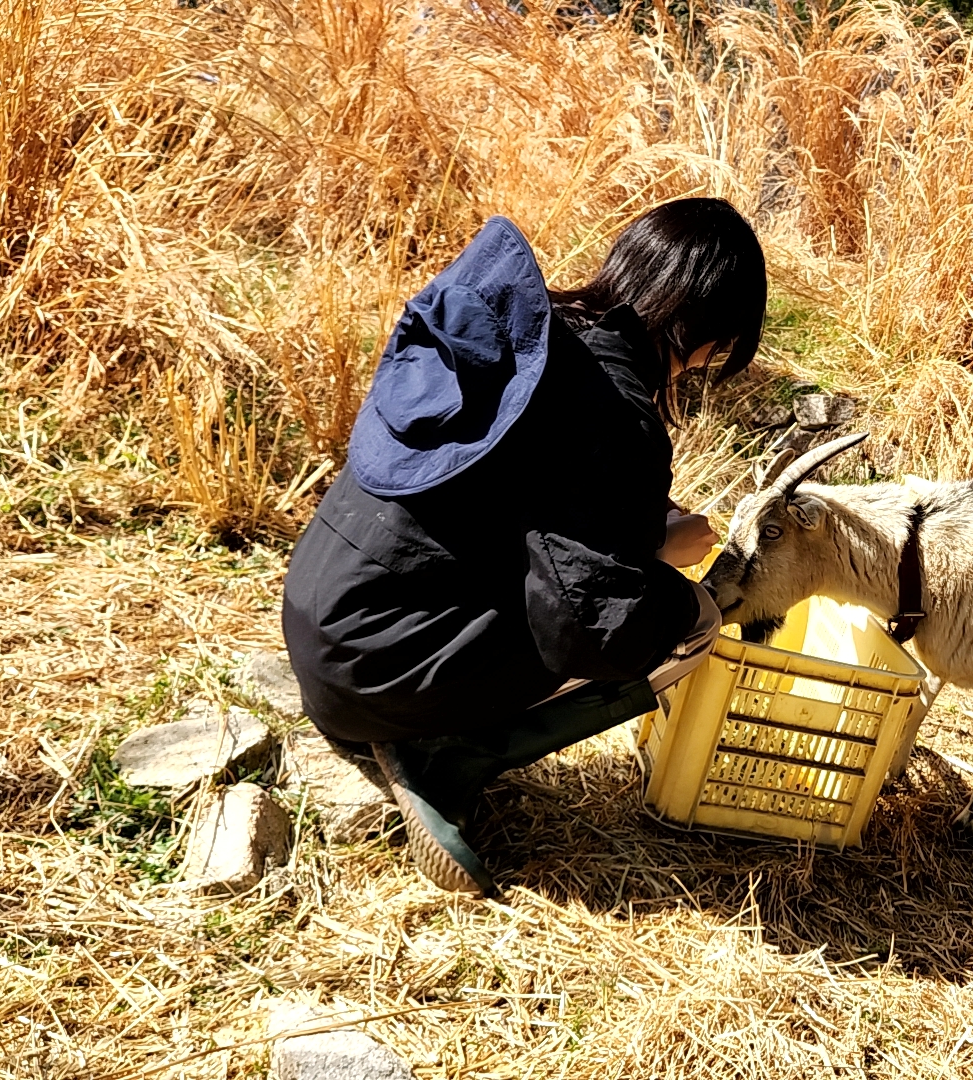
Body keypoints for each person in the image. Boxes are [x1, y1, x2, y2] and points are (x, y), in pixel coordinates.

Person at [281, 199, 766, 895]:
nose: (703, 367)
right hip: (376, 669)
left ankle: (419, 720)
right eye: (719, 350)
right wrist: (660, 549)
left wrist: (634, 519)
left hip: (320, 617)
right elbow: (594, 630)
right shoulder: (616, 409)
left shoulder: (532, 339)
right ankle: (446, 763)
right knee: (689, 622)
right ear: (704, 330)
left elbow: (520, 500)